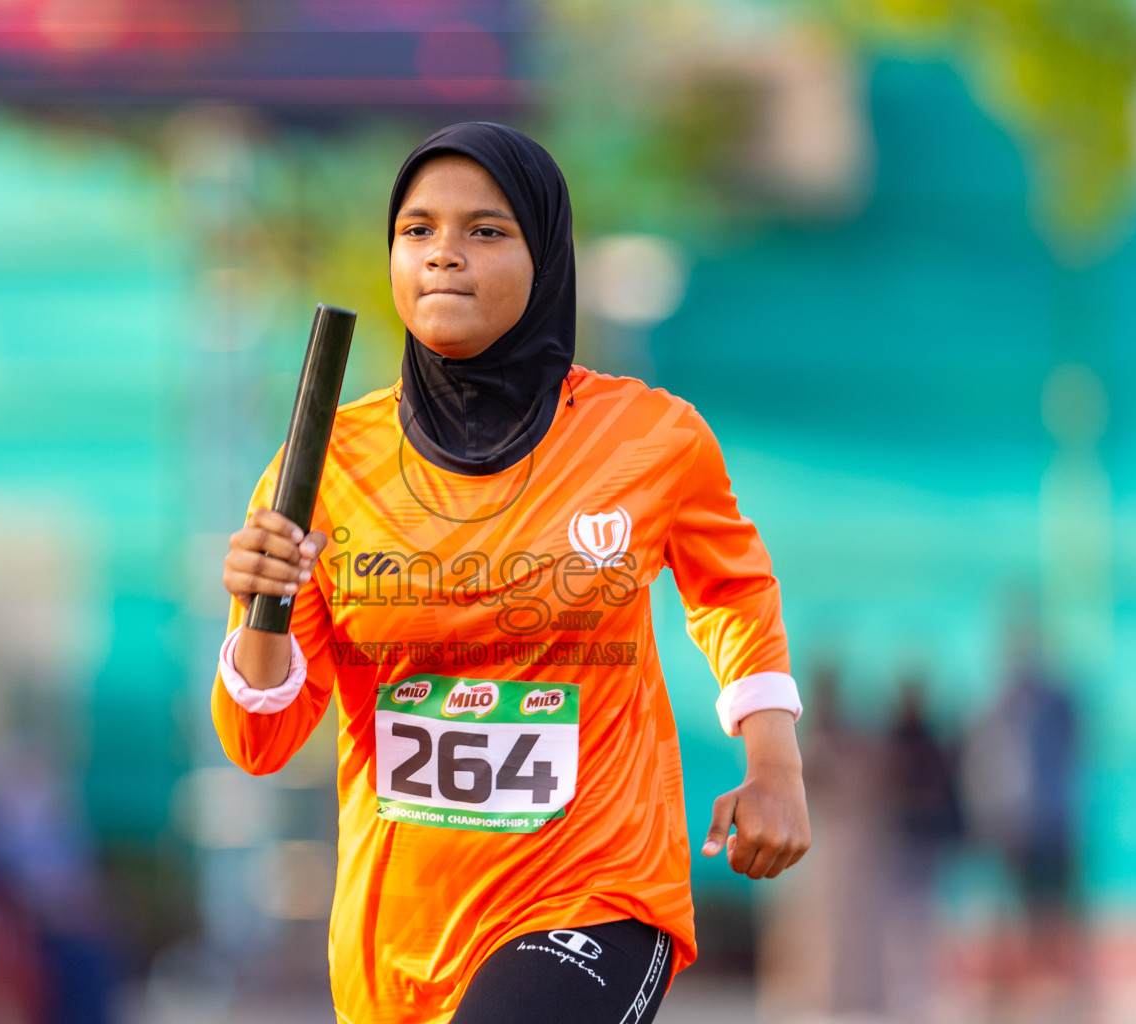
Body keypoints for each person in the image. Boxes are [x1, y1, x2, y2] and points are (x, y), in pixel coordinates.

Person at [212, 122, 810, 1024]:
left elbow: (731, 588)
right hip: (397, 946)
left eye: (485, 231)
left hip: (593, 897)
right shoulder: (328, 464)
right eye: (417, 231)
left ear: (547, 258)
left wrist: (774, 761)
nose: (444, 255)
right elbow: (259, 742)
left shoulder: (651, 439)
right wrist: (259, 608)